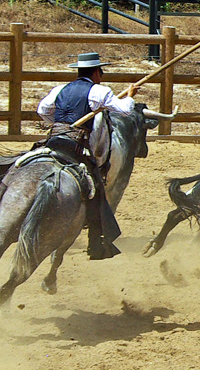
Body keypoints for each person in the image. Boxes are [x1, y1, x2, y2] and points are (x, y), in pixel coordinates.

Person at [35, 52, 138, 260]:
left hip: (54, 140)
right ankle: (97, 242)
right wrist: (130, 95)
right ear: (96, 72)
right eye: (101, 71)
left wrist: (55, 124)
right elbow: (125, 112)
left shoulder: (59, 89)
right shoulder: (100, 91)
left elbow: (42, 110)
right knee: (98, 192)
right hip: (76, 148)